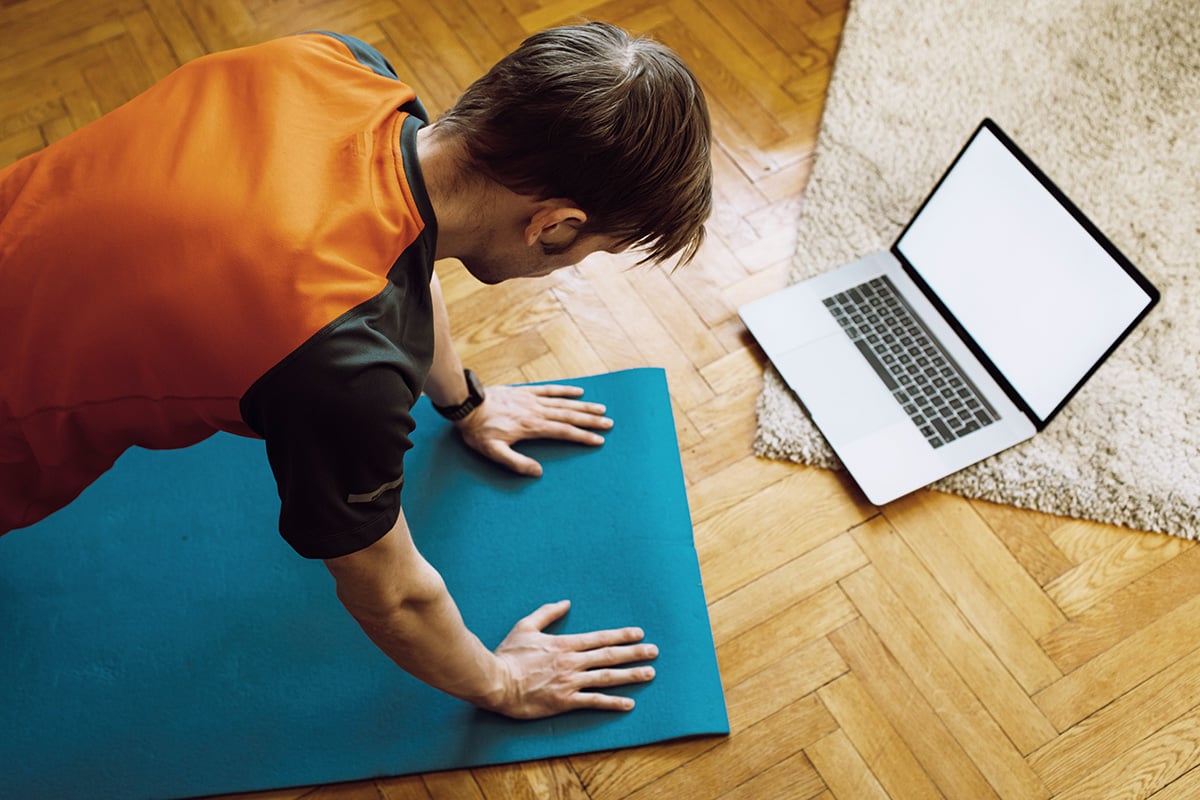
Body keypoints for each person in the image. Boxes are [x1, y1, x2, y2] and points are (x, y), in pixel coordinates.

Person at [0, 23, 712, 719]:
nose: (577, 262)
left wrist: (466, 403)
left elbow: (402, 258)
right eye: (594, 249)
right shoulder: (342, 371)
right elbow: (392, 593)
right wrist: (504, 684)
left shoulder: (341, 66)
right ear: (554, 225)